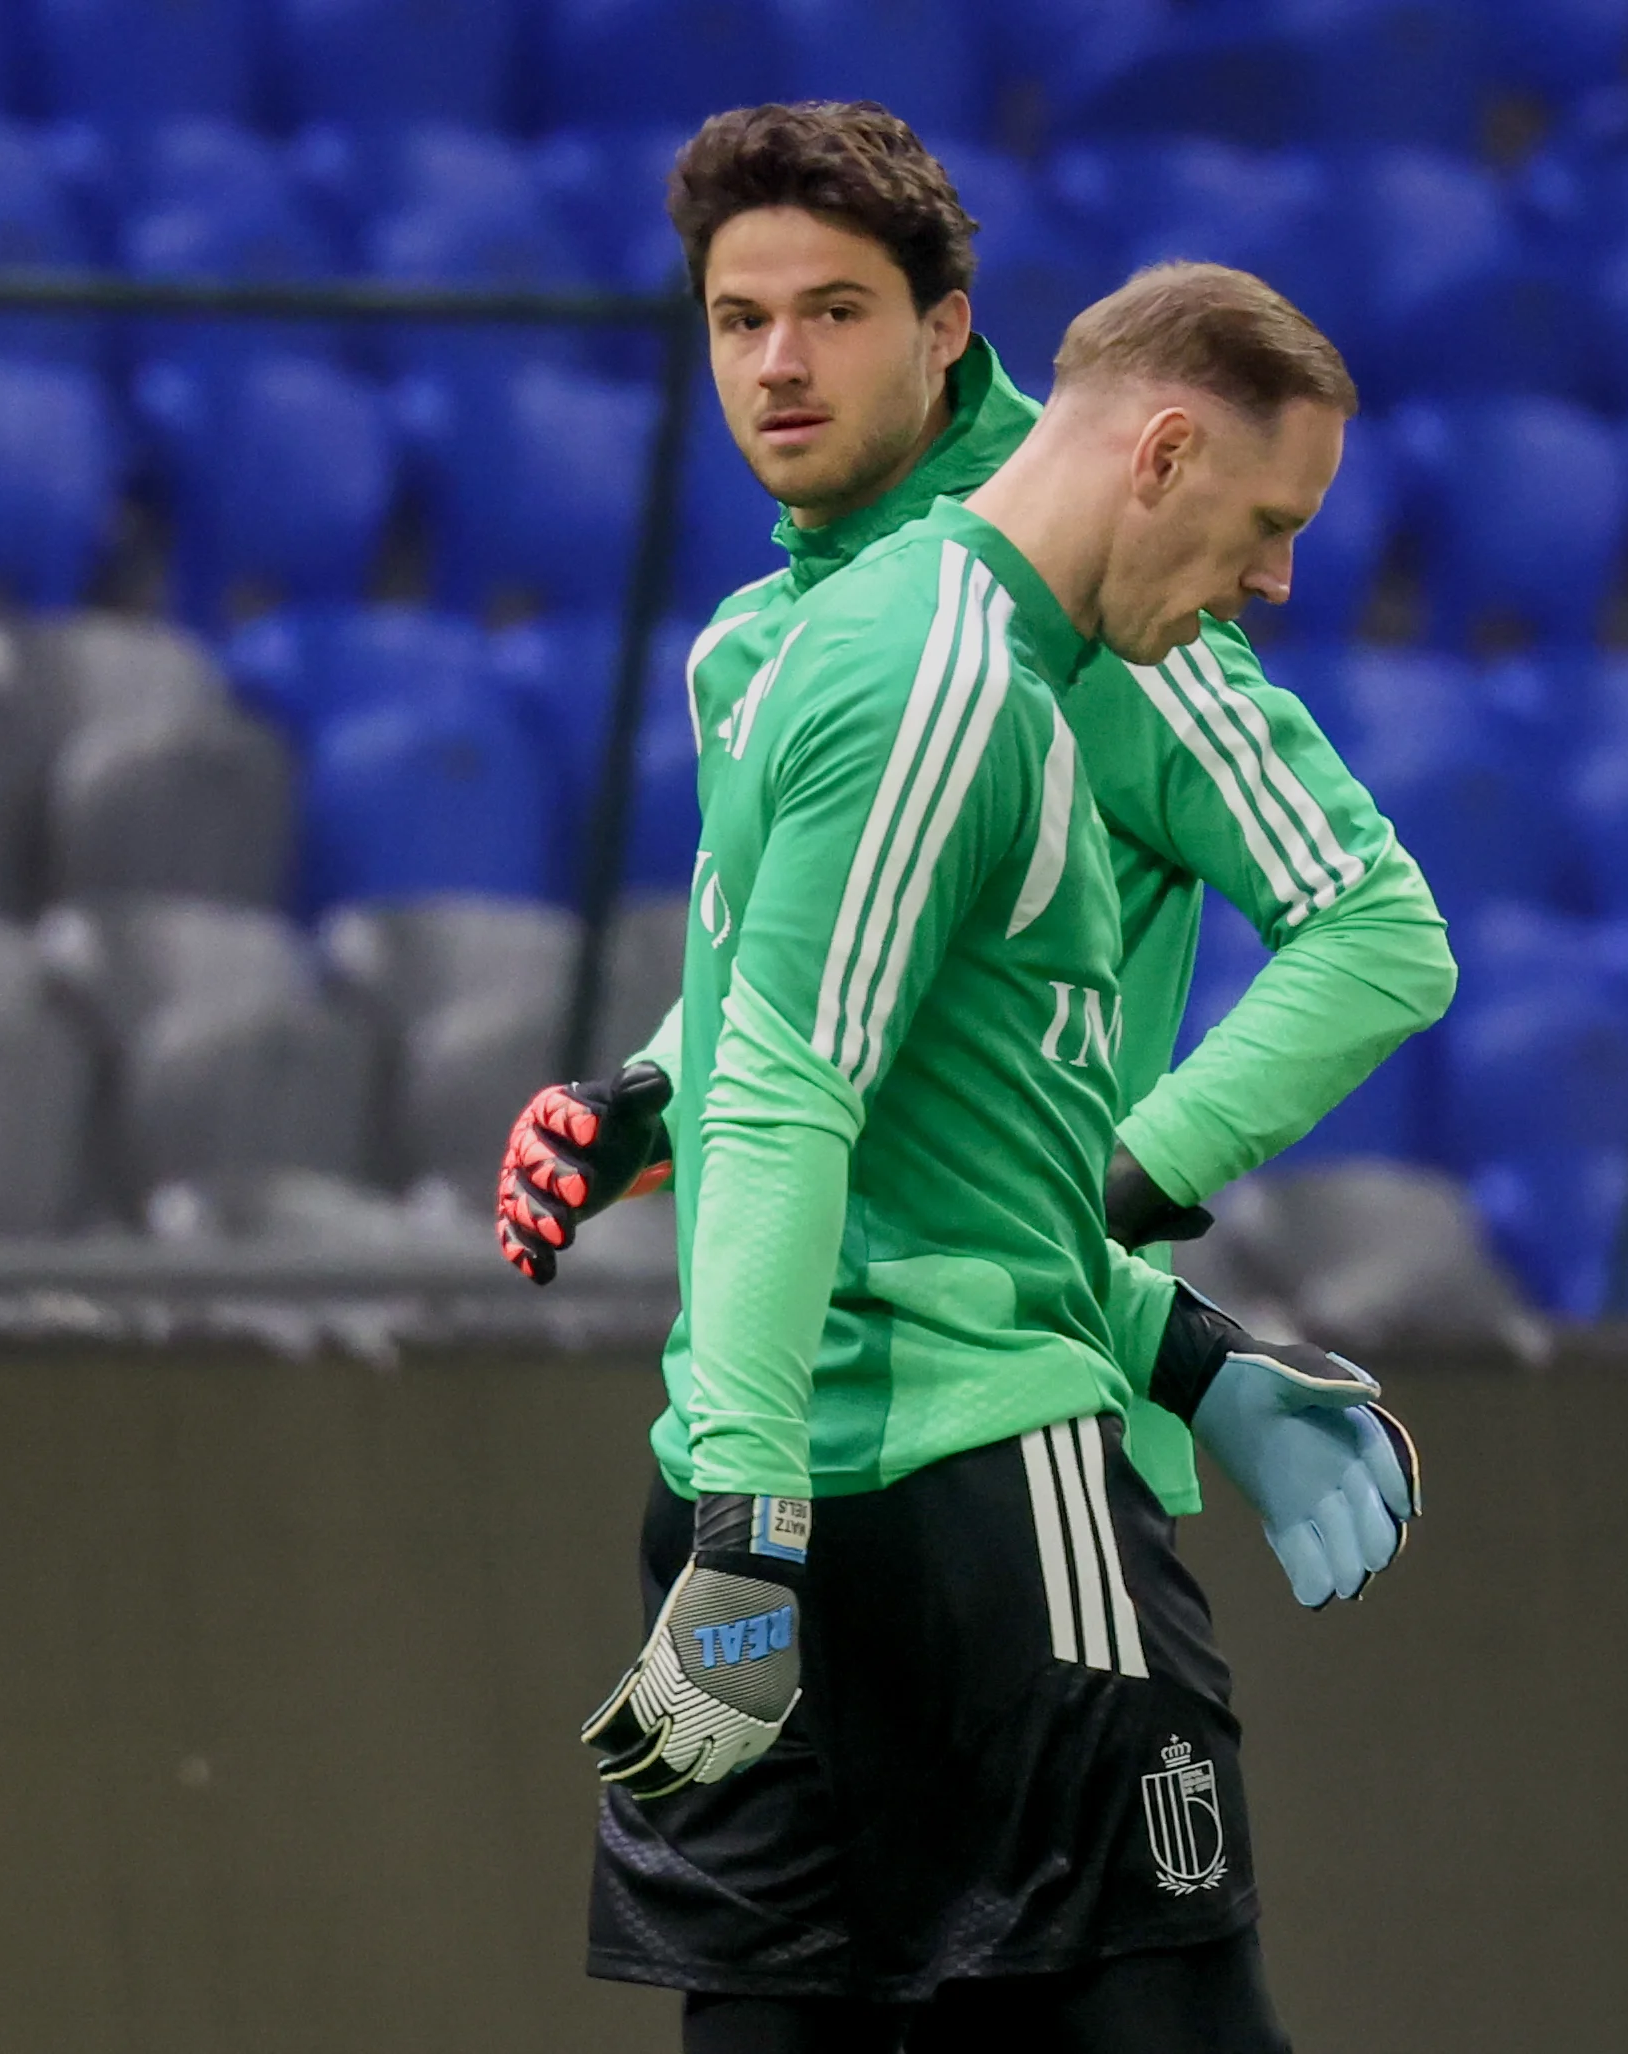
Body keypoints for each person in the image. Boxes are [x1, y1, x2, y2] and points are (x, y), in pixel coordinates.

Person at [566, 233, 1409, 2045]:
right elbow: (789, 1109)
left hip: (799, 1457)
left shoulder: (814, 646)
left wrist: (1178, 1346)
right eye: (1270, 521)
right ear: (1165, 454)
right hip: (972, 1471)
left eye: (825, 316)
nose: (1272, 581)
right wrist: (752, 1522)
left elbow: (837, 1119)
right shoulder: (957, 678)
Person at [499, 101, 1457, 1611]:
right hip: (780, 1437)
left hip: (1015, 1440)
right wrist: (649, 1104)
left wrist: (1116, 1194)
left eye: (833, 314)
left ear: (945, 329)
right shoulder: (763, 638)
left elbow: (1378, 932)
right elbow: (818, 995)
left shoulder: (1106, 603)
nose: (778, 365)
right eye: (736, 320)